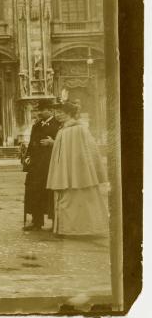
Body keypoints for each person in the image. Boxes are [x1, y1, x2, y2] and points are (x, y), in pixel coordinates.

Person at [46, 100, 109, 236]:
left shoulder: (78, 129)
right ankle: (69, 229)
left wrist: (83, 169)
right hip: (66, 172)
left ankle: (82, 229)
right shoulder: (63, 130)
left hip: (80, 172)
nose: (58, 115)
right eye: (56, 112)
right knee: (68, 199)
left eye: (61, 112)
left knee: (80, 199)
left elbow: (88, 150)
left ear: (69, 113)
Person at [22, 99, 61, 231]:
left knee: (50, 194)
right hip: (36, 166)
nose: (39, 112)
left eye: (42, 110)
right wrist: (27, 157)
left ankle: (55, 221)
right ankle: (36, 221)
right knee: (35, 192)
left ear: (50, 110)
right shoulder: (36, 126)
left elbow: (63, 144)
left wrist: (52, 143)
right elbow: (31, 143)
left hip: (50, 165)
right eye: (38, 110)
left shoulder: (58, 125)